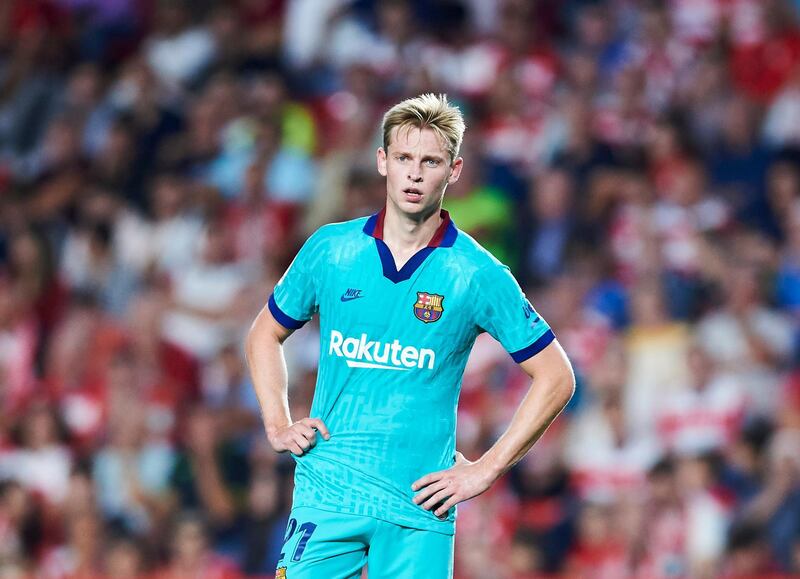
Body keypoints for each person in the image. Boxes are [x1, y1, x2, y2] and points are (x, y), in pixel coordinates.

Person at [245, 93, 575, 578]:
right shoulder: (331, 250)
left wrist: (487, 467)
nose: (415, 173)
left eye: (430, 161)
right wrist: (277, 423)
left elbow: (556, 376)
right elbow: (262, 335)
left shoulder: (476, 273)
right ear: (383, 162)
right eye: (403, 158)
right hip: (328, 491)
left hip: (418, 508)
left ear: (455, 170)